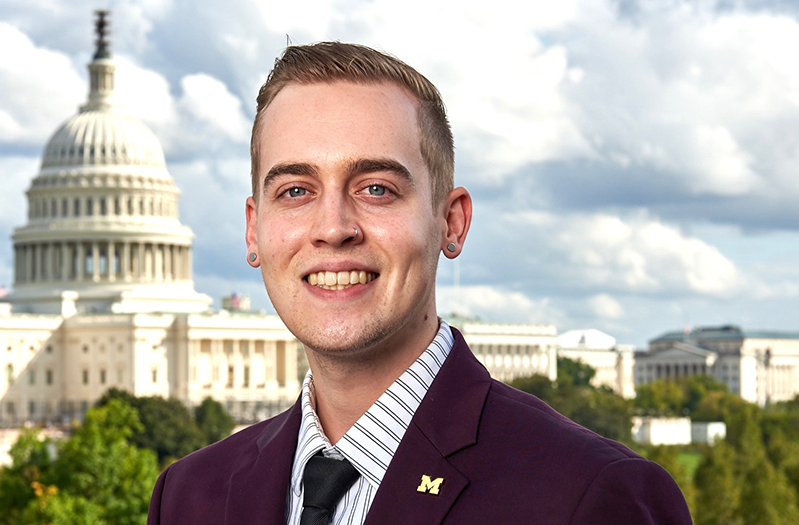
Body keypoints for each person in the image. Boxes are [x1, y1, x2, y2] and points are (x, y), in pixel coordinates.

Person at [148, 41, 691, 525]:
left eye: (377, 189)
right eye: (295, 191)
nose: (333, 228)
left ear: (450, 222)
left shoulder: (591, 496)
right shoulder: (190, 497)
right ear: (254, 229)